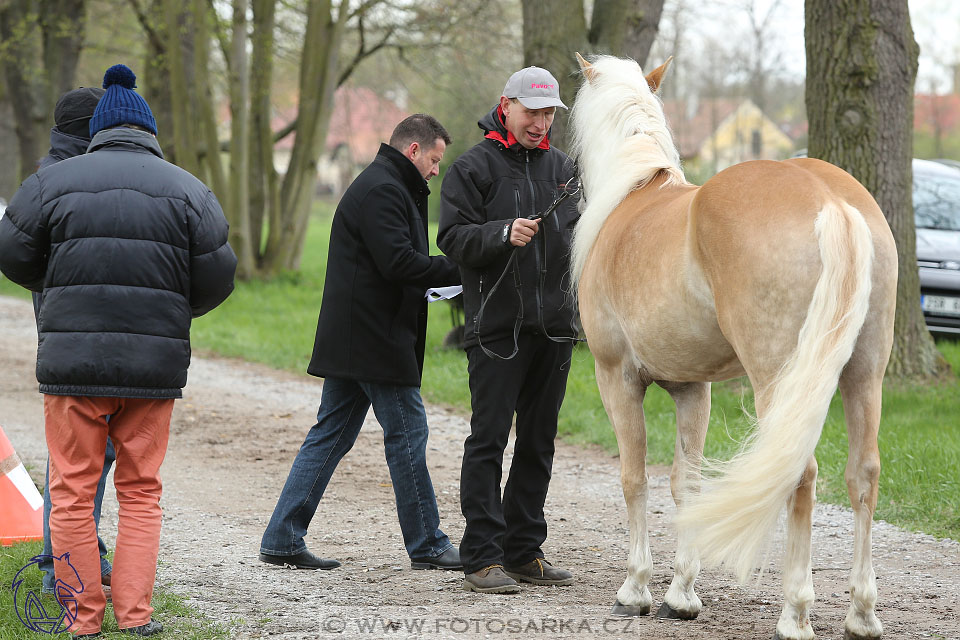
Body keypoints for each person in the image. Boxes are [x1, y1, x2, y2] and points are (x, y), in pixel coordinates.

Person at [0, 63, 237, 638]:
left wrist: (52, 287)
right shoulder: (188, 189)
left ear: (99, 131)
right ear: (149, 131)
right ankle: (135, 617)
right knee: (140, 494)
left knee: (73, 492)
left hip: (72, 368)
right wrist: (176, 312)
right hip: (153, 371)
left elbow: (11, 252)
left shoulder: (53, 183)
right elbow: (219, 276)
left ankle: (81, 617)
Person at [259, 114, 462, 573]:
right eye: (433, 160)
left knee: (330, 435)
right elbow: (400, 264)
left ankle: (282, 536)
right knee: (408, 435)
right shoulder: (383, 189)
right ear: (413, 150)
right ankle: (428, 543)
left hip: (360, 338)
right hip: (375, 341)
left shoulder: (386, 184)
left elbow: (391, 265)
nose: (435, 171)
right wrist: (461, 271)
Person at [437, 67, 580, 594]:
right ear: (506, 106)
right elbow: (452, 239)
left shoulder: (566, 169)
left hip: (555, 330)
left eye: (548, 114)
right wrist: (502, 233)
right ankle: (480, 557)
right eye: (532, 112)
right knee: (489, 440)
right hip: (496, 330)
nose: (540, 123)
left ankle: (523, 552)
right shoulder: (471, 168)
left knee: (539, 442)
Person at [28, 86, 118, 600]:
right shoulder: (62, 182)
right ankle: (58, 568)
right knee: (75, 459)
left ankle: (80, 554)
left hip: (67, 328)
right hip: (71, 333)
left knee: (83, 456)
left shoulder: (52, 177)